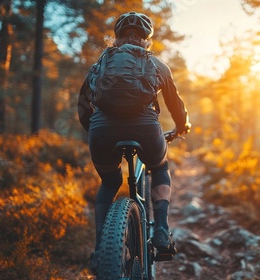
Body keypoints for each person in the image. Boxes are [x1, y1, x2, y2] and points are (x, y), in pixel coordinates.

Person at [77, 11, 191, 274]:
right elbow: (175, 104)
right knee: (160, 168)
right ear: (146, 40)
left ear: (117, 39)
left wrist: (95, 131)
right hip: (145, 127)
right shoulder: (157, 65)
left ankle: (99, 251)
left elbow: (83, 106)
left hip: (102, 129)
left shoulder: (100, 64)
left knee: (109, 183)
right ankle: (161, 230)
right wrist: (182, 126)